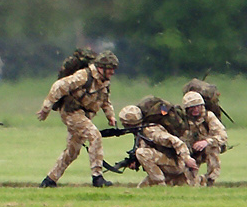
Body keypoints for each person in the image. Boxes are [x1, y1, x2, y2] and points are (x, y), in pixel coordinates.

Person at [37, 50, 119, 188]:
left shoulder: (104, 82)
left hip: (84, 115)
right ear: (101, 68)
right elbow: (59, 86)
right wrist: (46, 109)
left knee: (72, 151)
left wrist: (110, 115)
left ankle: (50, 180)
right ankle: (97, 177)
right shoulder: (83, 76)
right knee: (95, 135)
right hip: (72, 113)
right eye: (110, 69)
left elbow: (105, 99)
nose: (112, 72)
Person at [121, 103, 196, 187]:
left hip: (176, 163)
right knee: (142, 188)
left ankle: (160, 185)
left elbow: (175, 141)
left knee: (141, 153)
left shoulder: (150, 131)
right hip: (166, 162)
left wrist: (187, 158)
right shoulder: (140, 132)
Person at [181, 89, 227, 185]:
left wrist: (206, 141)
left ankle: (211, 179)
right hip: (190, 152)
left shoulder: (208, 116)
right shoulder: (182, 120)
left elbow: (222, 136)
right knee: (188, 183)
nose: (196, 109)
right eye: (192, 107)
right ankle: (199, 180)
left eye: (198, 106)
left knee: (213, 147)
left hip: (207, 149)